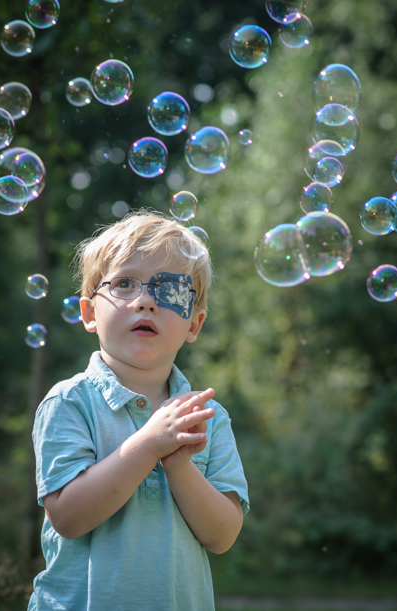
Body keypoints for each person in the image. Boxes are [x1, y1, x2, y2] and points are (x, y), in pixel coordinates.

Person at [28, 210, 249, 611]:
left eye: (171, 289)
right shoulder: (70, 402)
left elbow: (223, 535)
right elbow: (68, 517)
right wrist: (148, 444)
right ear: (90, 313)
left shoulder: (207, 416)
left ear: (194, 325)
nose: (146, 300)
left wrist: (179, 466)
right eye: (125, 284)